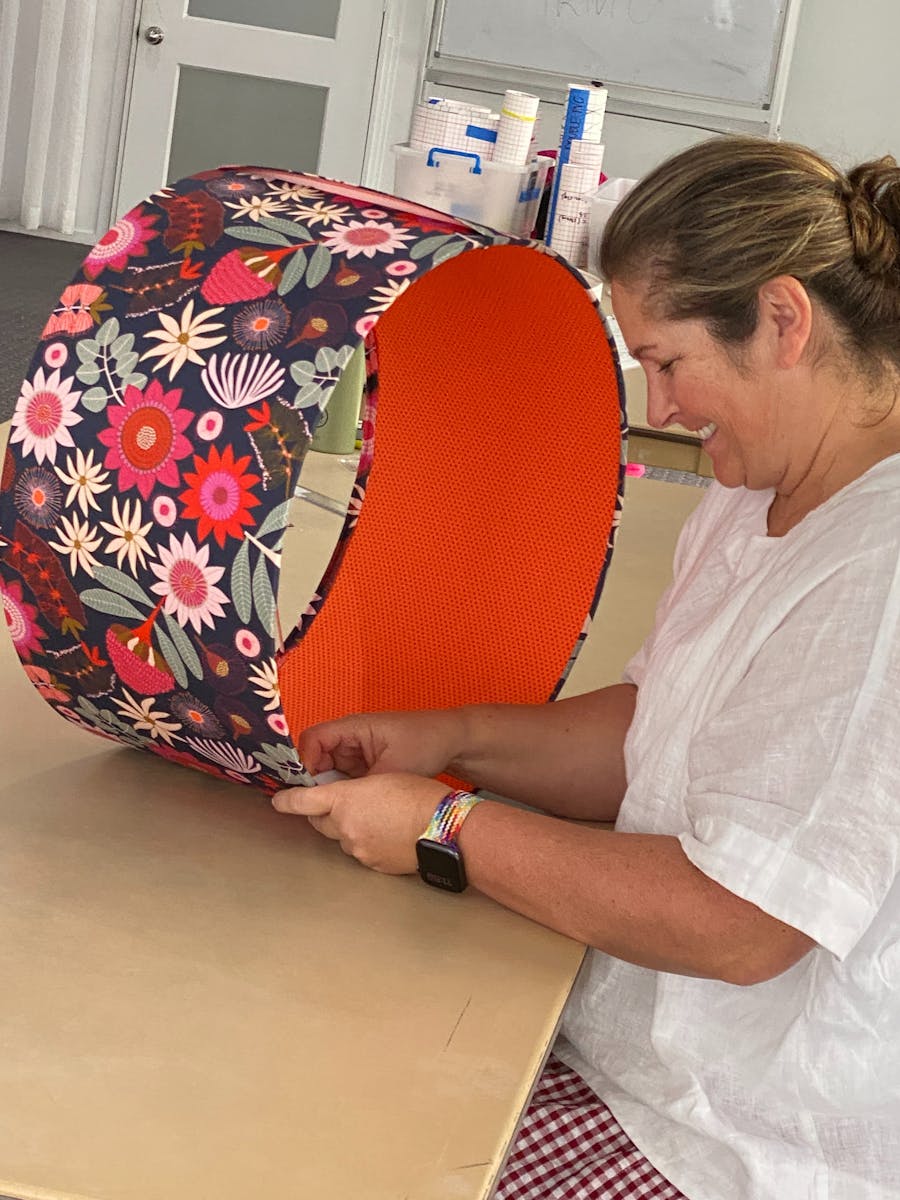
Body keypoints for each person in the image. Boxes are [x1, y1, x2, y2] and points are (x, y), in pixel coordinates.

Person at [271, 136, 900, 1199]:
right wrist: (454, 738)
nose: (659, 410)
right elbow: (655, 730)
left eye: (667, 361)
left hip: (725, 1136)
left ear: (784, 322)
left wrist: (442, 826)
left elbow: (743, 924)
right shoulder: (757, 495)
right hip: (629, 1044)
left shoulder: (879, 577)